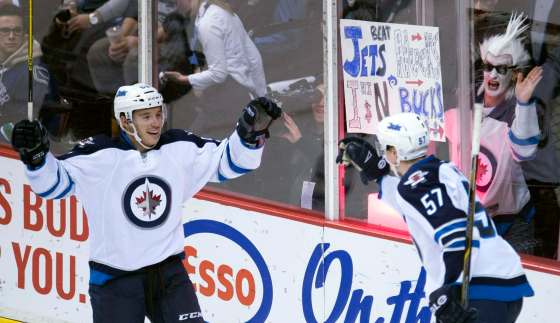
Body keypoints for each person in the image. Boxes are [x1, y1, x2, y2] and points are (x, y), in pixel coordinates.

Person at [9, 83, 282, 322]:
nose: (156, 123)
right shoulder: (99, 155)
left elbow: (228, 162)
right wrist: (36, 157)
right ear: (126, 121)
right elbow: (53, 185)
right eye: (146, 116)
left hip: (168, 275)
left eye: (158, 114)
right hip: (115, 279)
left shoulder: (179, 147)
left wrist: (248, 135)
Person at [337, 112, 534, 323]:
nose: (383, 154)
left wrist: (451, 289)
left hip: (477, 291)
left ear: (395, 153)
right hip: (504, 285)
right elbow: (411, 202)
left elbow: (456, 235)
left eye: (385, 149)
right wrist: (380, 175)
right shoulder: (443, 170)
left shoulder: (415, 186)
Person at [446, 13, 543, 254]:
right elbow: (434, 128)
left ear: (514, 73)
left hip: (510, 222)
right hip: (467, 218)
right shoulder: (463, 103)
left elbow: (524, 151)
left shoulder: (520, 109)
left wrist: (523, 103)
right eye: (489, 67)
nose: (494, 75)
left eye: (502, 68)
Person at [163, 0, 267, 139]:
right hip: (231, 94)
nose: (176, 3)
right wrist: (262, 97)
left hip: (225, 97)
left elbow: (219, 74)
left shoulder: (209, 23)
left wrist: (186, 80)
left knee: (194, 144)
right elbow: (254, 58)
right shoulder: (220, 13)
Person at [0, 4, 49, 135]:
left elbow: (22, 126)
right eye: (4, 30)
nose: (11, 36)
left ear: (24, 34)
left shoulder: (33, 72)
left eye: (17, 30)